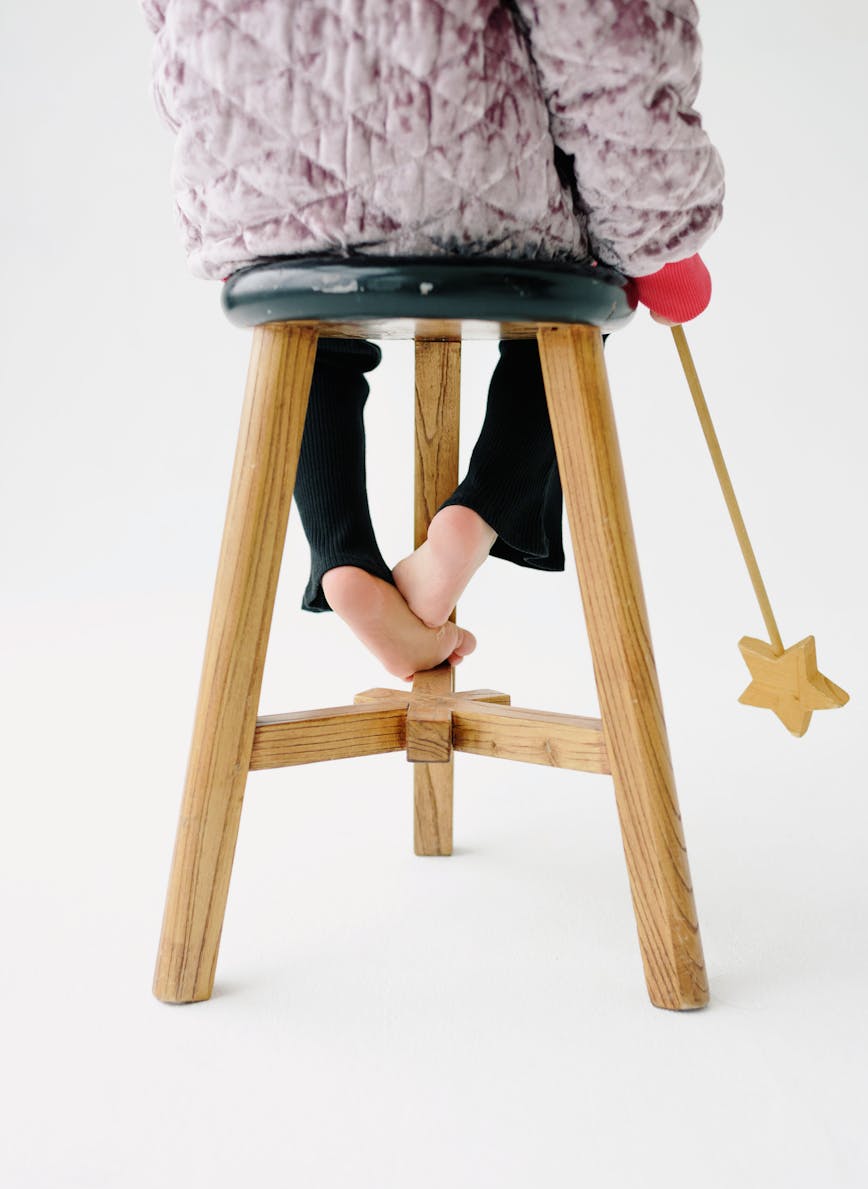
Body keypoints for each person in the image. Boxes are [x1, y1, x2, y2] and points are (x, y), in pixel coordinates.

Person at [140, 0, 724, 680]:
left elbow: (177, 40)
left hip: (271, 196)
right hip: (477, 178)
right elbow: (608, 44)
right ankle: (475, 517)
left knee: (311, 336)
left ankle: (342, 556)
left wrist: (228, 195)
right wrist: (655, 240)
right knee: (567, 313)